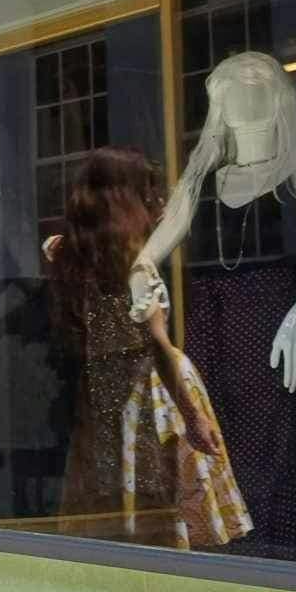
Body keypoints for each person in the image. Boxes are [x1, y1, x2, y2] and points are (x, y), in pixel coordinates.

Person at [43, 148, 249, 550]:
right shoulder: (136, 268)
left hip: (103, 393)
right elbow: (158, 348)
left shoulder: (67, 255)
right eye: (148, 194)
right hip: (151, 394)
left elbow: (55, 243)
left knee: (115, 493)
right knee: (158, 497)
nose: (157, 203)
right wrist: (192, 416)